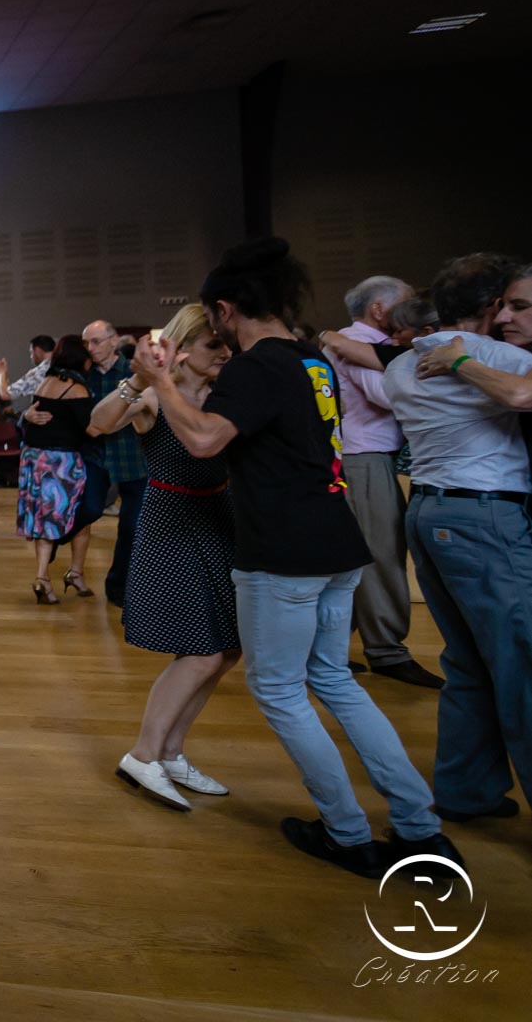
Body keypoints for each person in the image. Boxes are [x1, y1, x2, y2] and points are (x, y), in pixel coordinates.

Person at [131, 237, 460, 878]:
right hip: (337, 541)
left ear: (225, 309)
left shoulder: (257, 367)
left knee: (279, 690)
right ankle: (420, 826)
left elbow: (201, 440)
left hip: (284, 553)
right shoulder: (312, 360)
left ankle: (345, 831)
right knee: (332, 680)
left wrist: (160, 380)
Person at [385, 254, 532, 825]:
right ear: (492, 306)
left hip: (426, 512)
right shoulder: (503, 358)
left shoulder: (400, 367)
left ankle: (466, 792)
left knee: (467, 664)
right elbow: (522, 396)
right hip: (484, 520)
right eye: (511, 305)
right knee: (521, 666)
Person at [90, 305, 240, 810]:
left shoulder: (228, 393)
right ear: (182, 347)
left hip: (220, 517)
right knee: (201, 650)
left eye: (224, 343)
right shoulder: (155, 393)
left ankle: (171, 751)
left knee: (226, 648)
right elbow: (100, 422)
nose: (223, 352)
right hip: (172, 519)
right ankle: (144, 753)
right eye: (211, 345)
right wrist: (138, 380)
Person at [323, 276, 446, 688]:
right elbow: (388, 395)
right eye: (404, 303)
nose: (409, 312)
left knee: (367, 556)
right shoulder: (356, 341)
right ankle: (387, 652)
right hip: (364, 458)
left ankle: (341, 648)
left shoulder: (353, 341)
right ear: (379, 309)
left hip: (366, 458)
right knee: (381, 554)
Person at [16, 335, 93, 604]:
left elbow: (31, 418)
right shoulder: (76, 388)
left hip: (33, 458)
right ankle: (68, 573)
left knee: (42, 520)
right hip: (61, 462)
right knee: (73, 517)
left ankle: (42, 577)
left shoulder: (47, 382)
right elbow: (92, 429)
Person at [81, 320, 148, 607]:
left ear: (113, 341)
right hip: (96, 458)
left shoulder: (133, 372)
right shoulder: (84, 376)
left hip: (134, 457)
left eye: (96, 341)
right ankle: (74, 571)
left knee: (132, 527)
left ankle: (120, 585)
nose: (90, 348)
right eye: (87, 343)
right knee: (88, 510)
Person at [0, 335, 56, 407]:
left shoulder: (38, 372)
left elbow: (6, 394)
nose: (31, 356)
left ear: (37, 350)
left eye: (31, 352)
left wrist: (1, 373)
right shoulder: (66, 368)